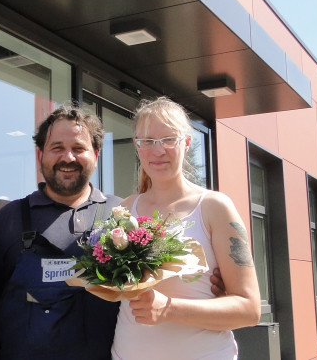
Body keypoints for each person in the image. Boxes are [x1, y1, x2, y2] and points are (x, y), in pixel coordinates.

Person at [111, 97, 261, 360]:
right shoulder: (125, 209)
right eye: (147, 141)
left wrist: (169, 308)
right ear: (136, 145)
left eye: (169, 139)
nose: (158, 151)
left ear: (187, 143)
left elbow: (249, 309)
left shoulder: (214, 207)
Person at [0, 105, 122, 360]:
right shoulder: (10, 219)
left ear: (96, 154)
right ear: (40, 154)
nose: (68, 158)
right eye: (57, 148)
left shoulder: (120, 215)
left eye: (78, 148)